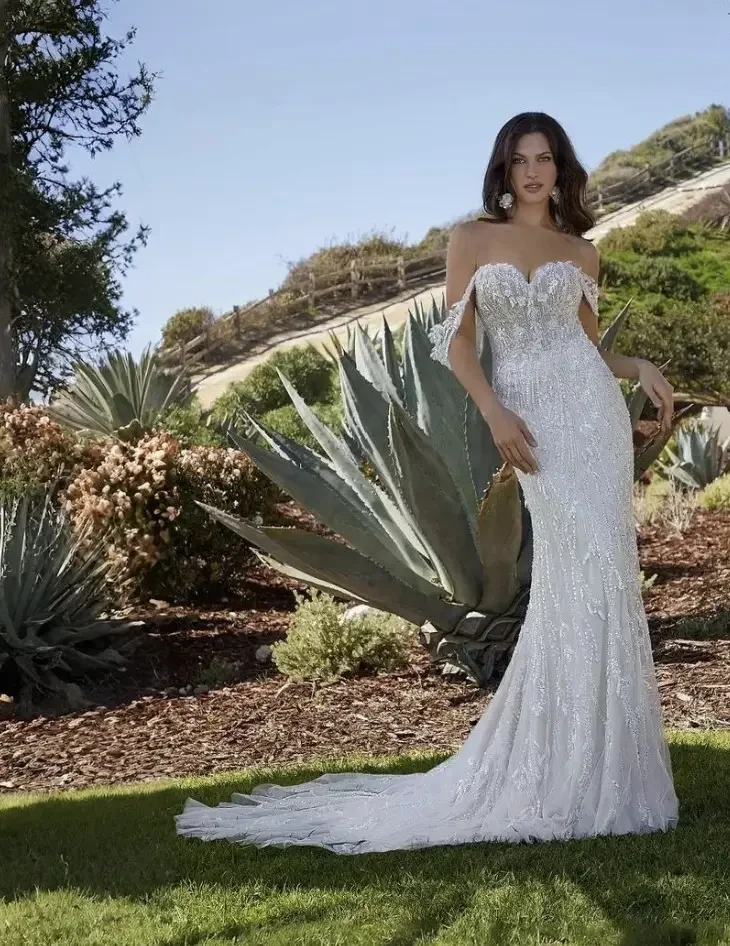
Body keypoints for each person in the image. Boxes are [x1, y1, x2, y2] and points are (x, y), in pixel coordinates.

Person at [175, 112, 680, 853]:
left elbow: (586, 350)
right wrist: (495, 413)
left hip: (592, 422)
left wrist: (637, 368)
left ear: (562, 167)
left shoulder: (582, 252)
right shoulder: (471, 241)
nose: (534, 173)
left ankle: (605, 769)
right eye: (520, 160)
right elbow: (460, 345)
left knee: (605, 581)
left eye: (545, 159)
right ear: (502, 171)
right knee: (575, 579)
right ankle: (556, 767)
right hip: (530, 424)